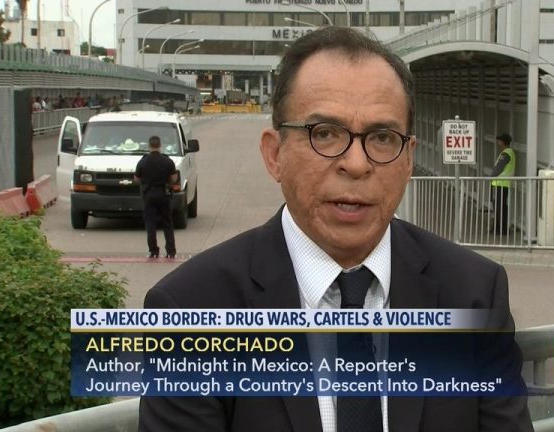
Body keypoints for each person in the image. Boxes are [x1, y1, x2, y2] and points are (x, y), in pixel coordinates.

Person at [139, 27, 531, 431]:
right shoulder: (192, 309)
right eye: (324, 134)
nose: (357, 164)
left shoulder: (473, 293)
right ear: (275, 154)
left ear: (408, 160)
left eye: (382, 137)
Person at [134, 136, 177, 259]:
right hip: (163, 194)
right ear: (160, 145)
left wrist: (145, 181)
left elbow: (136, 179)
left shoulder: (143, 162)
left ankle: (153, 251)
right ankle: (170, 251)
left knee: (150, 224)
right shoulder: (167, 161)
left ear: (149, 146)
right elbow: (174, 178)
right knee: (167, 223)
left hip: (149, 195)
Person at [490, 133, 516, 235]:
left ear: (503, 142)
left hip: (500, 183)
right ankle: (500, 228)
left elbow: (498, 168)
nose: (498, 142)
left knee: (499, 207)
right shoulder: (509, 153)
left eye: (499, 140)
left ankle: (500, 228)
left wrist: (490, 177)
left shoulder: (505, 154)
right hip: (503, 183)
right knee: (501, 206)